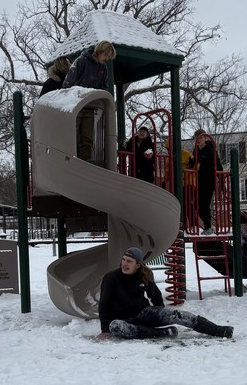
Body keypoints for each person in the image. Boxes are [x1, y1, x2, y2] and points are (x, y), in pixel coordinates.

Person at [98, 247, 234, 340]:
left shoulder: (143, 276)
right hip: (123, 320)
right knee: (115, 326)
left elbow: (155, 296)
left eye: (129, 261)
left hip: (143, 313)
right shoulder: (111, 278)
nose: (124, 264)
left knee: (176, 314)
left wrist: (161, 315)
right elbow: (104, 305)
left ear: (138, 265)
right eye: (123, 260)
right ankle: (161, 333)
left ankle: (217, 330)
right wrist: (104, 330)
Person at [194, 129, 222, 234]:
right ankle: (208, 226)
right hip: (197, 182)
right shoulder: (195, 151)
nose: (199, 140)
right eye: (197, 138)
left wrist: (222, 183)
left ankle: (208, 227)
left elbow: (218, 166)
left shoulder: (211, 151)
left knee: (204, 205)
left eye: (201, 138)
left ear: (205, 138)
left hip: (208, 183)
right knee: (197, 205)